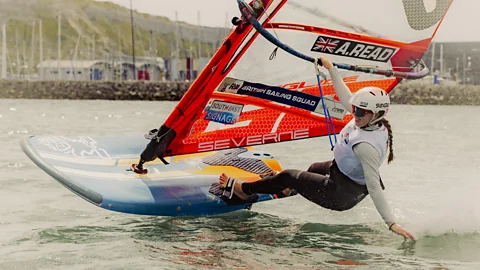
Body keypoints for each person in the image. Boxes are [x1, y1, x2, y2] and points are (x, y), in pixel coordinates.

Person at [218, 56, 416, 241]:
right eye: (355, 108)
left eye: (360, 111)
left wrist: (391, 224)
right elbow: (346, 98)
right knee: (313, 168)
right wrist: (332, 70)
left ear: (377, 113)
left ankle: (243, 190)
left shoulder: (366, 146)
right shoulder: (367, 119)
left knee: (289, 175)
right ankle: (285, 188)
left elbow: (374, 187)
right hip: (339, 172)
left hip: (341, 194)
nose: (354, 113)